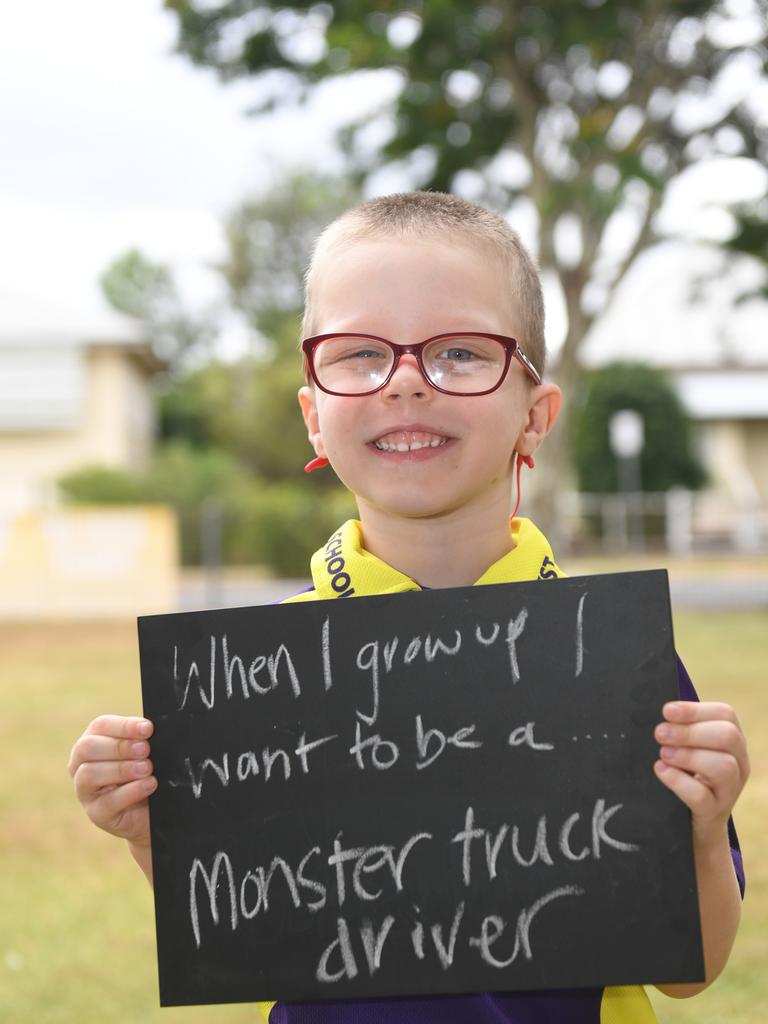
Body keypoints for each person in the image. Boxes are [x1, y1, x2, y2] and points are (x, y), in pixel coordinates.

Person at [69, 191, 749, 1024]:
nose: (405, 382)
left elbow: (689, 973)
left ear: (533, 418)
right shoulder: (251, 680)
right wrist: (155, 835)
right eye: (358, 354)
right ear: (315, 417)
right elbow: (253, 935)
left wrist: (706, 830)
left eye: (460, 352)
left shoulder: (617, 662)